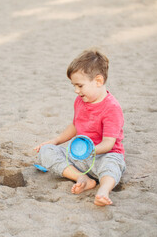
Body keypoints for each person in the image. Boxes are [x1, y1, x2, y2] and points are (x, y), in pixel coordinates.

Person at [34, 49, 125, 206]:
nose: (76, 91)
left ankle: (103, 190)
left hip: (104, 155)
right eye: (74, 86)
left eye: (80, 85)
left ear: (98, 81)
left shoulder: (112, 108)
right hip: (79, 157)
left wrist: (91, 151)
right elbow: (76, 125)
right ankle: (81, 178)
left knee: (112, 167)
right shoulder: (80, 100)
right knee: (46, 151)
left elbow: (109, 143)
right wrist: (54, 141)